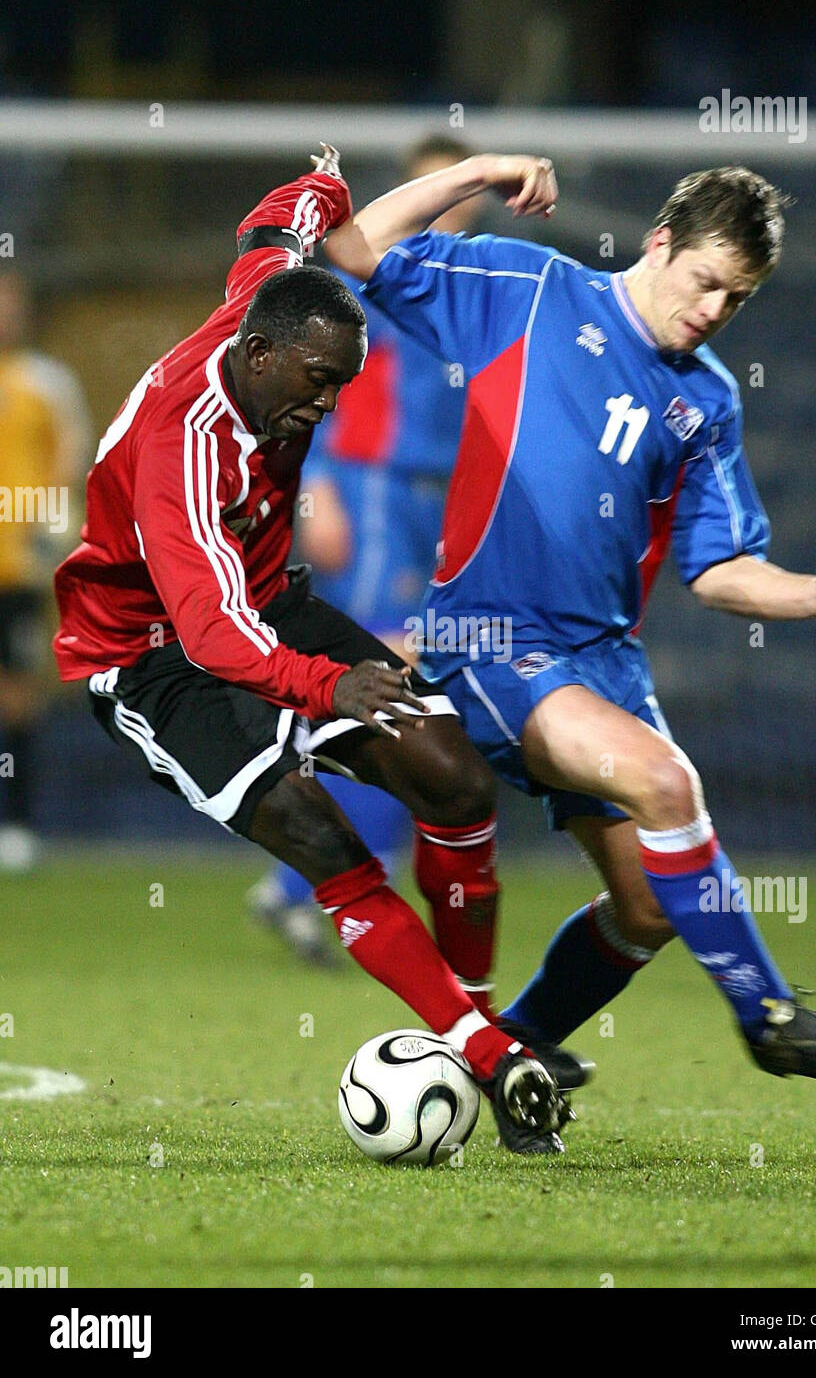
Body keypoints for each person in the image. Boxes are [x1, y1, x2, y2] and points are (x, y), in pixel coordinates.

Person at [323, 152, 816, 1118]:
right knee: (668, 783)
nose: (714, 311)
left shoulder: (707, 400)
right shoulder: (529, 290)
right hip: (492, 639)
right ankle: (770, 1018)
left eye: (738, 300)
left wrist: (813, 595)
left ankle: (510, 1052)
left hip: (603, 665)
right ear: (659, 244)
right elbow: (354, 245)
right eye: (706, 281)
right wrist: (481, 169)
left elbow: (716, 570)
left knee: (646, 910)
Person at [52, 147, 589, 1155]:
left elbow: (312, 200)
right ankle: (485, 1053)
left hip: (271, 605)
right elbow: (211, 637)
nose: (324, 408)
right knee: (318, 834)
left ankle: (477, 1025)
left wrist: (479, 169)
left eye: (341, 387)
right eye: (313, 386)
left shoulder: (277, 298)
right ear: (258, 359)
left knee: (456, 782)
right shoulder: (185, 443)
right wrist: (333, 683)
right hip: (153, 657)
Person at [252, 136, 489, 978]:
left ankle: (313, 874)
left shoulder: (467, 280)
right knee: (393, 682)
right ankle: (302, 876)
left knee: (409, 689)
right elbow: (319, 386)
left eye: (462, 192)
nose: (453, 205)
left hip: (424, 500)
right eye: (437, 189)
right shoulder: (373, 278)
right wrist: (317, 491)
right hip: (375, 493)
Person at [0, 271, 92, 871]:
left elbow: (72, 460)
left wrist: (51, 539)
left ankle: (16, 824)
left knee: (16, 694)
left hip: (15, 570)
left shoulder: (47, 383)